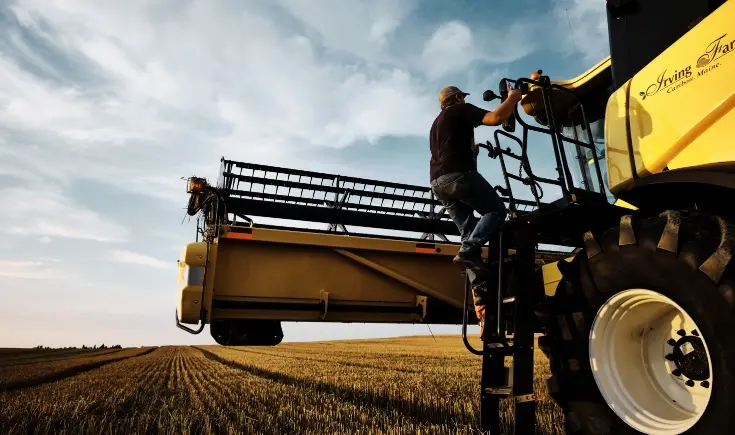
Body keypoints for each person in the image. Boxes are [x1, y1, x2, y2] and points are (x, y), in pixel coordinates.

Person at [428, 85, 522, 337]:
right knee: (495, 211)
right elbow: (495, 118)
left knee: (467, 233)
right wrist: (513, 98)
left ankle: (482, 305)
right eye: (461, 96)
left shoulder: (437, 123)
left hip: (438, 183)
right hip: (459, 175)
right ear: (457, 98)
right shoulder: (462, 109)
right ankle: (469, 251)